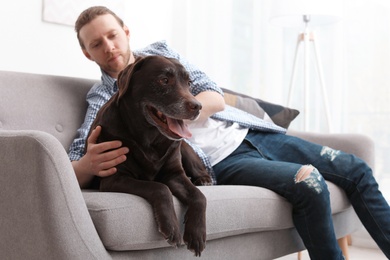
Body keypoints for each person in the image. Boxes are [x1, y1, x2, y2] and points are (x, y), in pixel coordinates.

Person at [69, 6, 390, 259]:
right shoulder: (104, 98)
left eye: (112, 35)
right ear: (87, 53)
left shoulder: (163, 55)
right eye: (97, 44)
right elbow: (76, 157)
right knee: (310, 183)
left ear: (125, 32)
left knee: (357, 169)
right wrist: (86, 166)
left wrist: (177, 113)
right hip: (222, 161)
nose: (109, 47)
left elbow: (213, 97)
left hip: (251, 133)